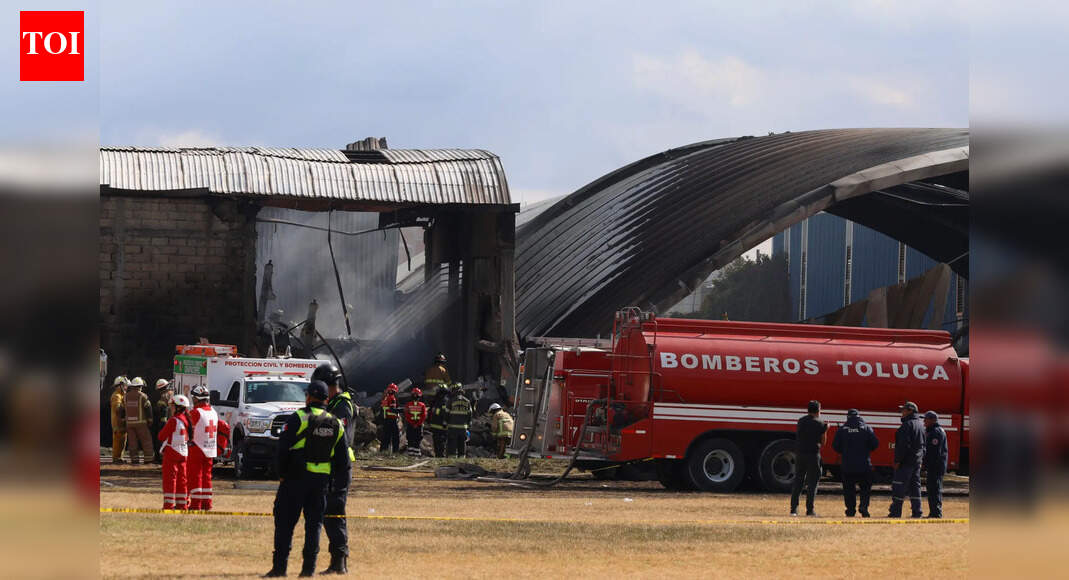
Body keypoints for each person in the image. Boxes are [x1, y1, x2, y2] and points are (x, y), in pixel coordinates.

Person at [264, 380, 351, 578]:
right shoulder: (335, 422)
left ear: (309, 397)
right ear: (326, 399)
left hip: (295, 480)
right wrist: (332, 483)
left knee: (285, 524)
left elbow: (282, 450)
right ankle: (308, 570)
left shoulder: (298, 418)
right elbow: (343, 461)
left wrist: (282, 475)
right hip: (320, 484)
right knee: (314, 526)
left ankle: (279, 569)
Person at [319, 362, 355, 575]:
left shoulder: (342, 405)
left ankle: (339, 562)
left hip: (340, 467)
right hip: (329, 466)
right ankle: (336, 560)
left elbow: (337, 434)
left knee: (334, 513)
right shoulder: (332, 403)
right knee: (328, 513)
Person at [187, 385, 231, 511]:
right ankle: (207, 503)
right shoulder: (213, 411)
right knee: (206, 477)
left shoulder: (195, 412)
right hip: (210, 448)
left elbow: (187, 427)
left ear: (196, 398)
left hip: (197, 448)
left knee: (195, 477)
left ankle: (195, 504)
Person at [832, 408, 879, 517]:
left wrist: (845, 451)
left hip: (848, 465)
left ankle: (850, 510)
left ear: (847, 417)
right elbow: (875, 444)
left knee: (849, 489)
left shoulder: (842, 429)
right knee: (865, 488)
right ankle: (863, 506)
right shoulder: (866, 428)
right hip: (864, 465)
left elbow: (835, 446)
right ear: (859, 417)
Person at [790, 400, 827, 517]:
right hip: (813, 455)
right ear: (818, 410)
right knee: (813, 482)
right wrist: (826, 430)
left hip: (800, 454)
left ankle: (794, 509)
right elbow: (823, 442)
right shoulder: (820, 423)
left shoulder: (801, 421)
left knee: (798, 481)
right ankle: (810, 510)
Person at [888, 401, 925, 518]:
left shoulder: (907, 425)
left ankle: (895, 512)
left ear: (910, 411)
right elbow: (923, 446)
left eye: (903, 410)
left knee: (899, 486)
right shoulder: (921, 425)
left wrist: (898, 461)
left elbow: (902, 446)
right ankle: (917, 512)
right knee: (915, 488)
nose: (901, 412)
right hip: (916, 462)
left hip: (905, 463)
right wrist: (920, 460)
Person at [158, 394, 192, 510]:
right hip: (184, 452)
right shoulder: (187, 420)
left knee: (170, 480)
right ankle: (182, 504)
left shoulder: (174, 420)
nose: (171, 409)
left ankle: (169, 505)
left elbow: (161, 436)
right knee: (182, 480)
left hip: (172, 452)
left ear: (178, 407)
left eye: (172, 406)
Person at [123, 377, 155, 465]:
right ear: (140, 386)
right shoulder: (143, 396)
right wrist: (150, 419)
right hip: (141, 423)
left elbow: (123, 409)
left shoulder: (126, 396)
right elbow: (148, 408)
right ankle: (148, 459)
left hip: (129, 423)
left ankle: (134, 460)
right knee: (146, 441)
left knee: (132, 442)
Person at [923, 410, 948, 518]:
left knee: (935, 489)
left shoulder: (936, 432)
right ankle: (933, 512)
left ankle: (936, 513)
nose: (924, 421)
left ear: (933, 420)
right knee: (932, 488)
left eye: (926, 419)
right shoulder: (933, 431)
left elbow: (934, 452)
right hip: (934, 466)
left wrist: (926, 464)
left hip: (936, 466)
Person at [446, 383, 473, 458]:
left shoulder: (451, 401)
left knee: (452, 443)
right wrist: (468, 425)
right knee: (462, 443)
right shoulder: (467, 401)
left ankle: (452, 459)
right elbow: (470, 414)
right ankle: (462, 458)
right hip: (463, 428)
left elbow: (447, 413)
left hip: (453, 427)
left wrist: (445, 423)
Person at [152, 379, 174, 464]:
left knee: (161, 439)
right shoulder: (172, 393)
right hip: (172, 420)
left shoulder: (164, 396)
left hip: (164, 421)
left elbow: (161, 409)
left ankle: (160, 457)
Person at [403, 388, 428, 456]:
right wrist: (417, 424)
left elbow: (407, 415)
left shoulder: (408, 404)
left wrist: (412, 423)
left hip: (411, 425)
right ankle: (416, 453)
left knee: (410, 438)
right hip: (418, 425)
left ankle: (411, 453)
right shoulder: (422, 405)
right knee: (417, 439)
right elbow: (423, 416)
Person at [109, 376, 128, 464]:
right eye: (124, 385)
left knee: (122, 440)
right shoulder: (116, 396)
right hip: (117, 422)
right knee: (118, 440)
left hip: (122, 422)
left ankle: (120, 457)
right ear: (120, 385)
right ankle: (116, 458)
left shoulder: (121, 395)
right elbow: (118, 409)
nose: (126, 387)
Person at [426, 387, 450, 458]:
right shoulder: (446, 402)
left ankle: (438, 456)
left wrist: (429, 421)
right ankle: (440, 456)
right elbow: (446, 414)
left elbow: (431, 412)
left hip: (435, 426)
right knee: (441, 443)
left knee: (437, 442)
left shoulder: (435, 401)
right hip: (442, 426)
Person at [379, 383, 401, 454]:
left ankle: (383, 450)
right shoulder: (392, 398)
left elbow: (382, 409)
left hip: (386, 420)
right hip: (392, 420)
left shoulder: (385, 399)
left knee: (385, 436)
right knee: (395, 437)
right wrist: (403, 410)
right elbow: (392, 409)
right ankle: (395, 451)